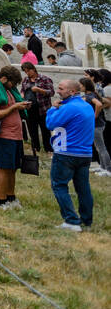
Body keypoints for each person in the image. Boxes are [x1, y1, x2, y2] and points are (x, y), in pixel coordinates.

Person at [46, 78, 95, 231]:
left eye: (61, 88)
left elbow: (50, 123)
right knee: (83, 188)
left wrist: (52, 109)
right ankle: (86, 220)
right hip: (85, 154)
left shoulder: (68, 108)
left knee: (59, 185)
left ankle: (72, 221)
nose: (58, 91)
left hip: (66, 153)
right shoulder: (87, 106)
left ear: (72, 91)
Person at [0, 65, 30, 209]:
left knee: (13, 167)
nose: (14, 86)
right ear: (3, 79)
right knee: (3, 168)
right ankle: (1, 200)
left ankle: (11, 196)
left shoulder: (9, 90)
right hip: (3, 135)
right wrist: (15, 107)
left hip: (16, 135)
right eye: (12, 82)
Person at [20, 61, 54, 152]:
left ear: (33, 69)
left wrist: (39, 90)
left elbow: (51, 92)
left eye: (28, 71)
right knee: (32, 130)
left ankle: (48, 149)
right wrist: (22, 95)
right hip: (30, 109)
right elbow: (22, 91)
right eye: (25, 71)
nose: (27, 73)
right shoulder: (25, 80)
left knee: (45, 131)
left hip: (43, 109)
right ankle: (35, 148)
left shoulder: (45, 79)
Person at [80, 73, 111, 174]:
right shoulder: (93, 94)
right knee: (99, 147)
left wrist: (94, 116)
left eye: (81, 85)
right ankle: (102, 167)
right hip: (99, 124)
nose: (79, 87)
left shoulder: (89, 96)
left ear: (85, 86)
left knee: (101, 148)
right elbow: (103, 103)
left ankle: (108, 169)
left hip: (96, 125)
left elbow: (98, 104)